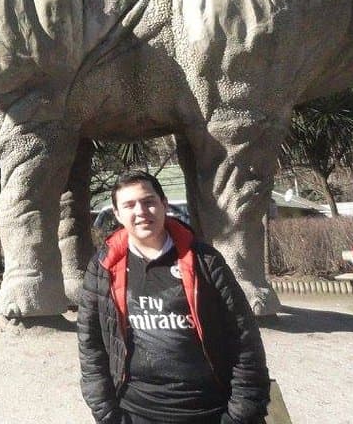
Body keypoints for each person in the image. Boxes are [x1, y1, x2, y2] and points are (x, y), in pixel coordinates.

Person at [77, 170, 269, 424]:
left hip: (208, 410)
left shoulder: (205, 261)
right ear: (117, 214)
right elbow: (91, 346)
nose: (141, 211)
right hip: (135, 412)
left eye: (148, 202)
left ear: (164, 204)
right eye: (129, 205)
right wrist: (108, 414)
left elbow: (245, 339)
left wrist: (239, 415)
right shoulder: (103, 267)